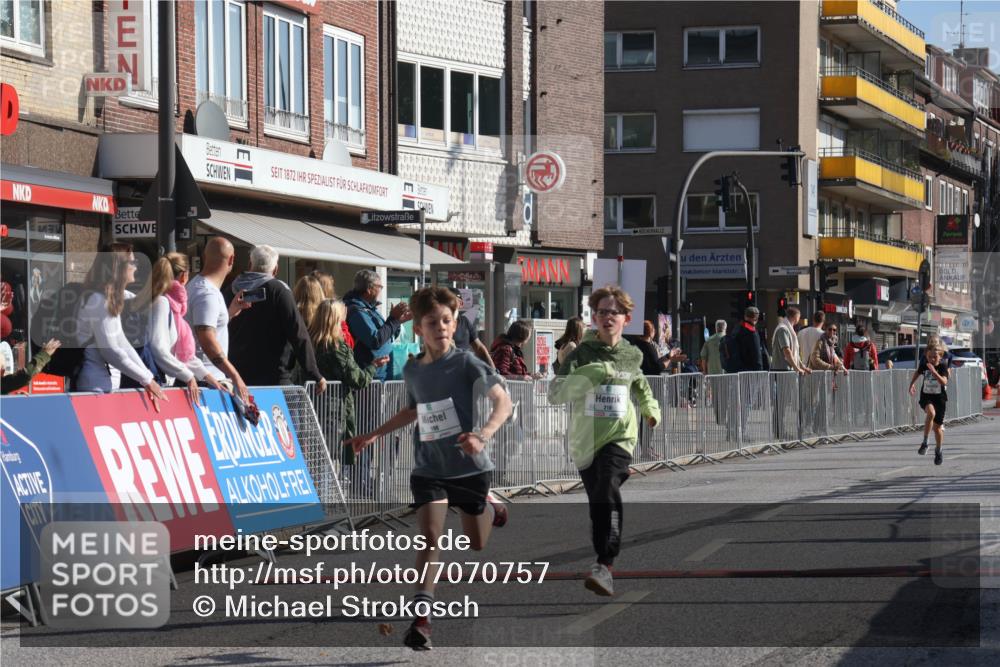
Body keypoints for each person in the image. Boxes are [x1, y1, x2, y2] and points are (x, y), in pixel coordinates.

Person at [346, 286, 513, 651]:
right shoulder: (411, 369)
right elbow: (412, 410)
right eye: (432, 322)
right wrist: (373, 435)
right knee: (430, 538)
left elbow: (504, 403)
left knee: (476, 544)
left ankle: (488, 504)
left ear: (455, 325)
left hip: (469, 467)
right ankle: (421, 620)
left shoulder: (468, 363)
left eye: (447, 321)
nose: (441, 327)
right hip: (429, 467)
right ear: (418, 330)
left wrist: (482, 434)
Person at [548, 286, 661, 597]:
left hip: (621, 436)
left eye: (613, 312)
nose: (607, 317)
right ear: (594, 318)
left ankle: (604, 564)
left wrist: (651, 410)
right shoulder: (581, 354)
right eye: (601, 312)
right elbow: (556, 393)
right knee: (599, 499)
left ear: (626, 318)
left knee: (607, 486)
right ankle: (604, 560)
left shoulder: (632, 353)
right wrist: (594, 372)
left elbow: (640, 387)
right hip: (587, 440)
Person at [76, 243, 166, 406]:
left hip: (104, 385)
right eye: (132, 263)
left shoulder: (106, 299)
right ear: (117, 267)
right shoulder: (98, 300)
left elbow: (122, 343)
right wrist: (147, 380)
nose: (136, 267)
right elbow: (111, 350)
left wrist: (148, 377)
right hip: (95, 387)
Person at [228, 245, 326, 393]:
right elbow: (298, 333)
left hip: (236, 376)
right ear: (275, 270)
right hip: (274, 378)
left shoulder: (230, 290)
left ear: (249, 265)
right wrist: (314, 373)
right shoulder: (278, 290)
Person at [308, 299, 389, 463]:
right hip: (334, 409)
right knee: (330, 457)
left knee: (316, 457)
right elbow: (357, 379)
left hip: (312, 404)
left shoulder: (310, 341)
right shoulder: (336, 346)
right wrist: (373, 366)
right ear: (337, 318)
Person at [148, 254, 223, 404]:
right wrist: (188, 376)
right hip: (154, 384)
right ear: (184, 276)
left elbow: (185, 355)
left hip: (159, 383)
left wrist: (207, 376)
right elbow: (158, 349)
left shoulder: (170, 306)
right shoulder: (162, 303)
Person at [187, 237, 251, 404]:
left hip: (203, 379)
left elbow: (204, 328)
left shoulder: (198, 286)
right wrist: (235, 376)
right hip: (206, 381)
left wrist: (229, 313)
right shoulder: (207, 293)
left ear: (204, 256)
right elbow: (207, 340)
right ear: (231, 260)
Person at [344, 270, 411, 382]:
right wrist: (393, 320)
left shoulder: (370, 309)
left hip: (381, 375)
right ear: (369, 289)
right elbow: (375, 340)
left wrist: (398, 321)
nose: (381, 290)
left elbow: (387, 336)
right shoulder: (357, 311)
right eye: (380, 286)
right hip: (369, 377)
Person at [909, 344, 951, 465]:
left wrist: (934, 372)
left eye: (934, 357)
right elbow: (917, 372)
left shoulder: (943, 366)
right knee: (931, 413)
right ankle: (925, 442)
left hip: (940, 399)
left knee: (938, 429)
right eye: (929, 357)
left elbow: (944, 382)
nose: (932, 359)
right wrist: (911, 384)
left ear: (940, 357)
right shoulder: (924, 365)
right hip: (926, 397)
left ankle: (938, 450)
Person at [447, 288, 494, 368]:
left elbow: (479, 348)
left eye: (451, 301)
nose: (448, 304)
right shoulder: (437, 323)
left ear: (460, 304)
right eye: (443, 301)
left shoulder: (465, 321)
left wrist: (494, 371)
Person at [771, 306, 810, 376]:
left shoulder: (787, 329)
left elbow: (795, 354)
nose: (799, 319)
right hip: (782, 370)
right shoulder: (783, 329)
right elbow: (787, 351)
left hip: (787, 370)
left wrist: (803, 367)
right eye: (799, 316)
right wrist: (797, 368)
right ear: (795, 316)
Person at [733, 306, 765, 372]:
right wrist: (760, 372)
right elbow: (757, 356)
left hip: (737, 371)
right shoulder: (752, 333)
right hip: (749, 373)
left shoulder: (736, 330)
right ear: (756, 318)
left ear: (745, 316)